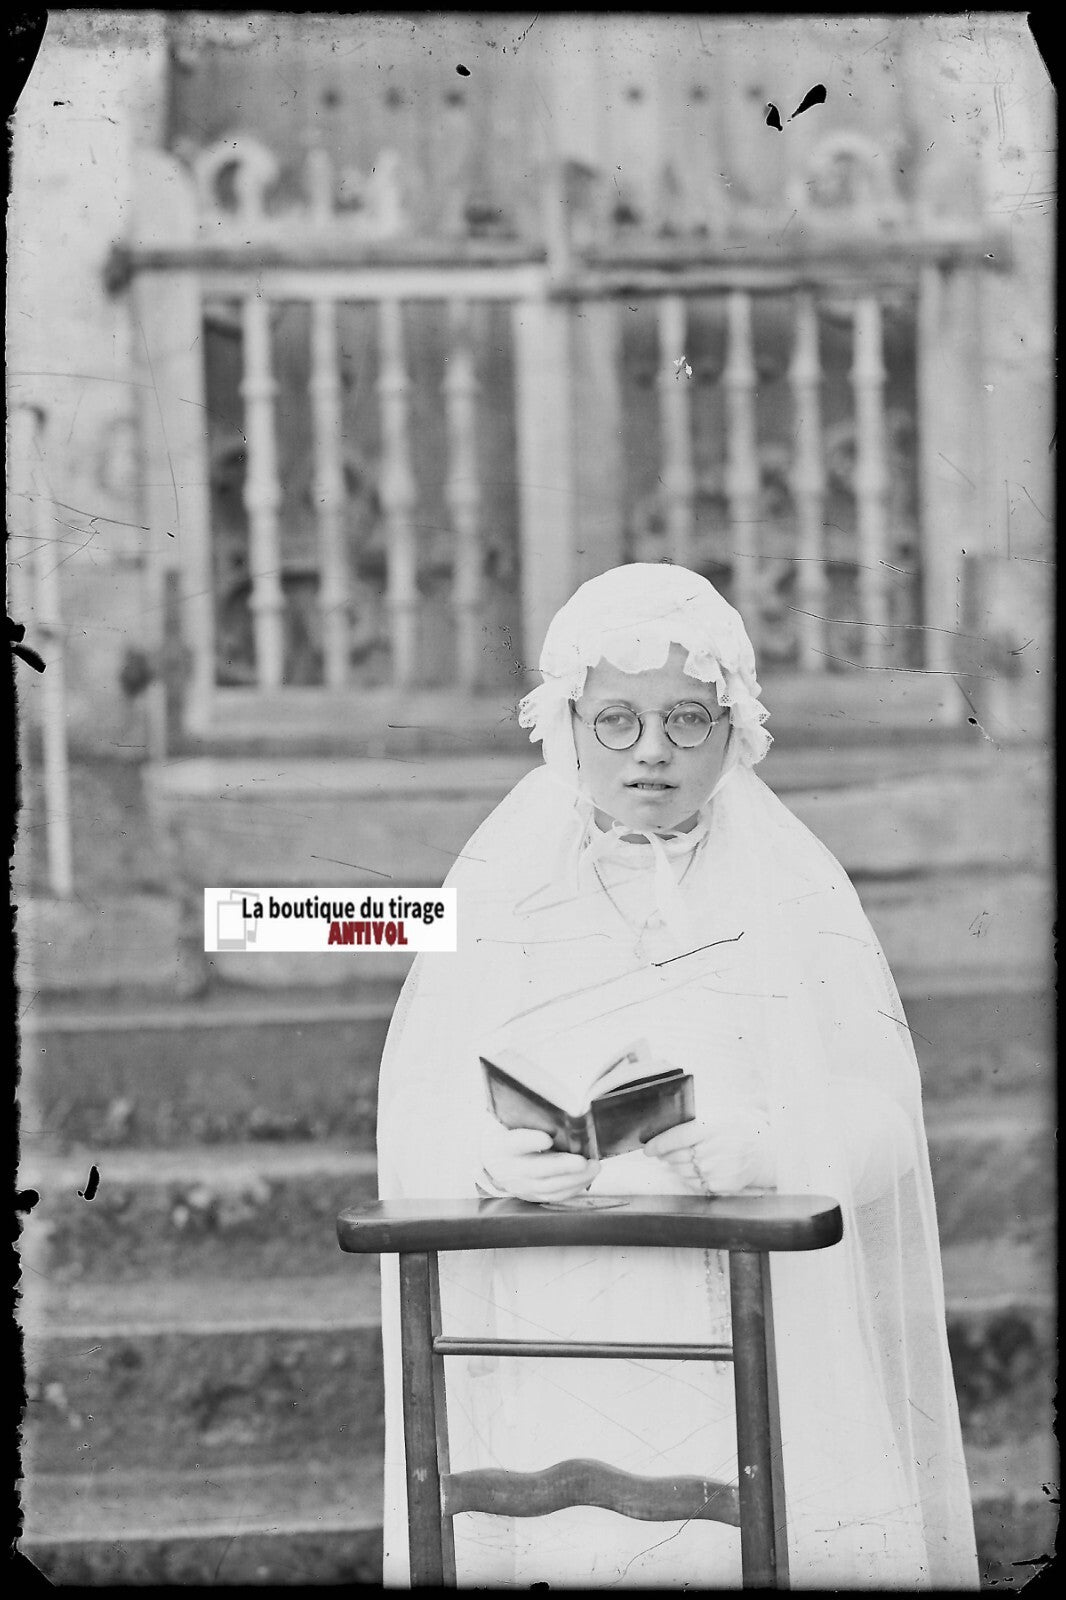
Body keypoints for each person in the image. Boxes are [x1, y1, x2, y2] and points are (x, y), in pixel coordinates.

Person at [376, 562, 979, 1589]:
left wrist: (764, 1144)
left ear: (733, 729)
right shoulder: (497, 886)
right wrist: (487, 1156)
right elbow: (414, 1105)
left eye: (686, 721)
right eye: (616, 719)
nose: (650, 751)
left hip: (749, 1320)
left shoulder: (794, 892)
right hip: (556, 1327)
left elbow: (882, 1117)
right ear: (565, 723)